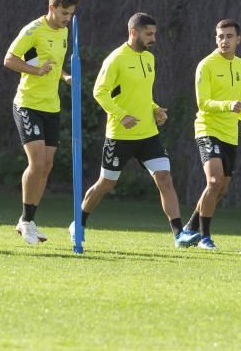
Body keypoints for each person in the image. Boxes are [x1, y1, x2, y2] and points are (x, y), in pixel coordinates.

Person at [73, 13, 201, 248]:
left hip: (148, 134)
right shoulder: (116, 59)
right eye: (148, 34)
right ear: (134, 32)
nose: (153, 38)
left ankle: (178, 234)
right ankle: (78, 223)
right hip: (119, 136)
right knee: (106, 184)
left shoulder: (150, 59)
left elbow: (142, 94)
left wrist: (154, 110)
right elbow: (99, 92)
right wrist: (121, 116)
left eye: (154, 34)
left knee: (165, 178)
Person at [3, 0, 78, 245]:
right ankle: (26, 221)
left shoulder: (65, 31)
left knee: (47, 165)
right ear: (51, 7)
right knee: (36, 163)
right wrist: (35, 72)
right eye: (64, 13)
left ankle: (29, 220)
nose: (67, 18)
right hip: (27, 104)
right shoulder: (33, 30)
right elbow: (9, 59)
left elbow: (52, 66)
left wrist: (65, 76)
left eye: (70, 14)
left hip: (51, 106)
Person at [183, 19, 241, 250]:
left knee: (220, 189)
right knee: (214, 182)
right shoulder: (205, 66)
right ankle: (205, 238)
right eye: (220, 36)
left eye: (228, 36)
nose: (224, 41)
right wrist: (228, 105)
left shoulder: (240, 65)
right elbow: (203, 102)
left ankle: (189, 229)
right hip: (207, 129)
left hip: (230, 134)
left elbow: (240, 96)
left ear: (238, 39)